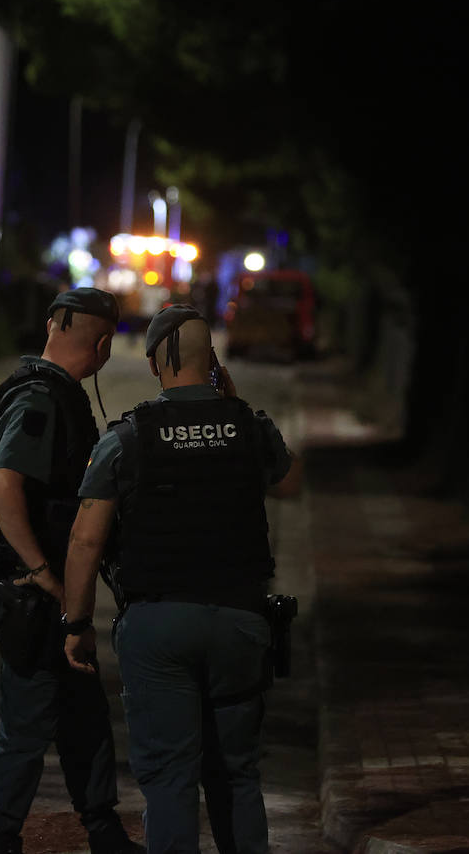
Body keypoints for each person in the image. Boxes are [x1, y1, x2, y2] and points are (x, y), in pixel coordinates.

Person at [62, 305, 301, 854]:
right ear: (213, 362)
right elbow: (288, 480)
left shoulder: (128, 438)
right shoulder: (249, 427)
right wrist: (235, 405)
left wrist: (76, 622)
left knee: (170, 778)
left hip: (158, 628)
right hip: (241, 622)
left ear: (152, 364)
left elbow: (85, 540)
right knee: (237, 774)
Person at [0, 288, 144, 854]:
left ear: (50, 325)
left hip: (56, 593)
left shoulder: (45, 390)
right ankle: (4, 837)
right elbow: (3, 483)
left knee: (82, 711)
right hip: (37, 593)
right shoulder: (44, 399)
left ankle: (101, 828)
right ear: (102, 346)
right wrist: (45, 572)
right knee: (28, 723)